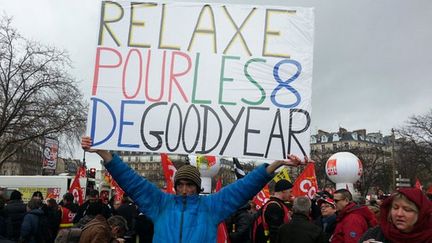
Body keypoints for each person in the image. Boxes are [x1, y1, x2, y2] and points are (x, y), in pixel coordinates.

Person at [81, 136, 306, 242]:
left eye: (190, 185)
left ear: (197, 187)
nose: (185, 189)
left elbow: (244, 188)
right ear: (176, 186)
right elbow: (132, 181)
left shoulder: (211, 207)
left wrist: (275, 164)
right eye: (181, 185)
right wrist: (105, 154)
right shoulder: (161, 204)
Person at [360, 188, 432, 243]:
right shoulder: (375, 234)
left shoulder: (428, 237)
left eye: (407, 209)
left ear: (421, 214)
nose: (399, 214)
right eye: (395, 208)